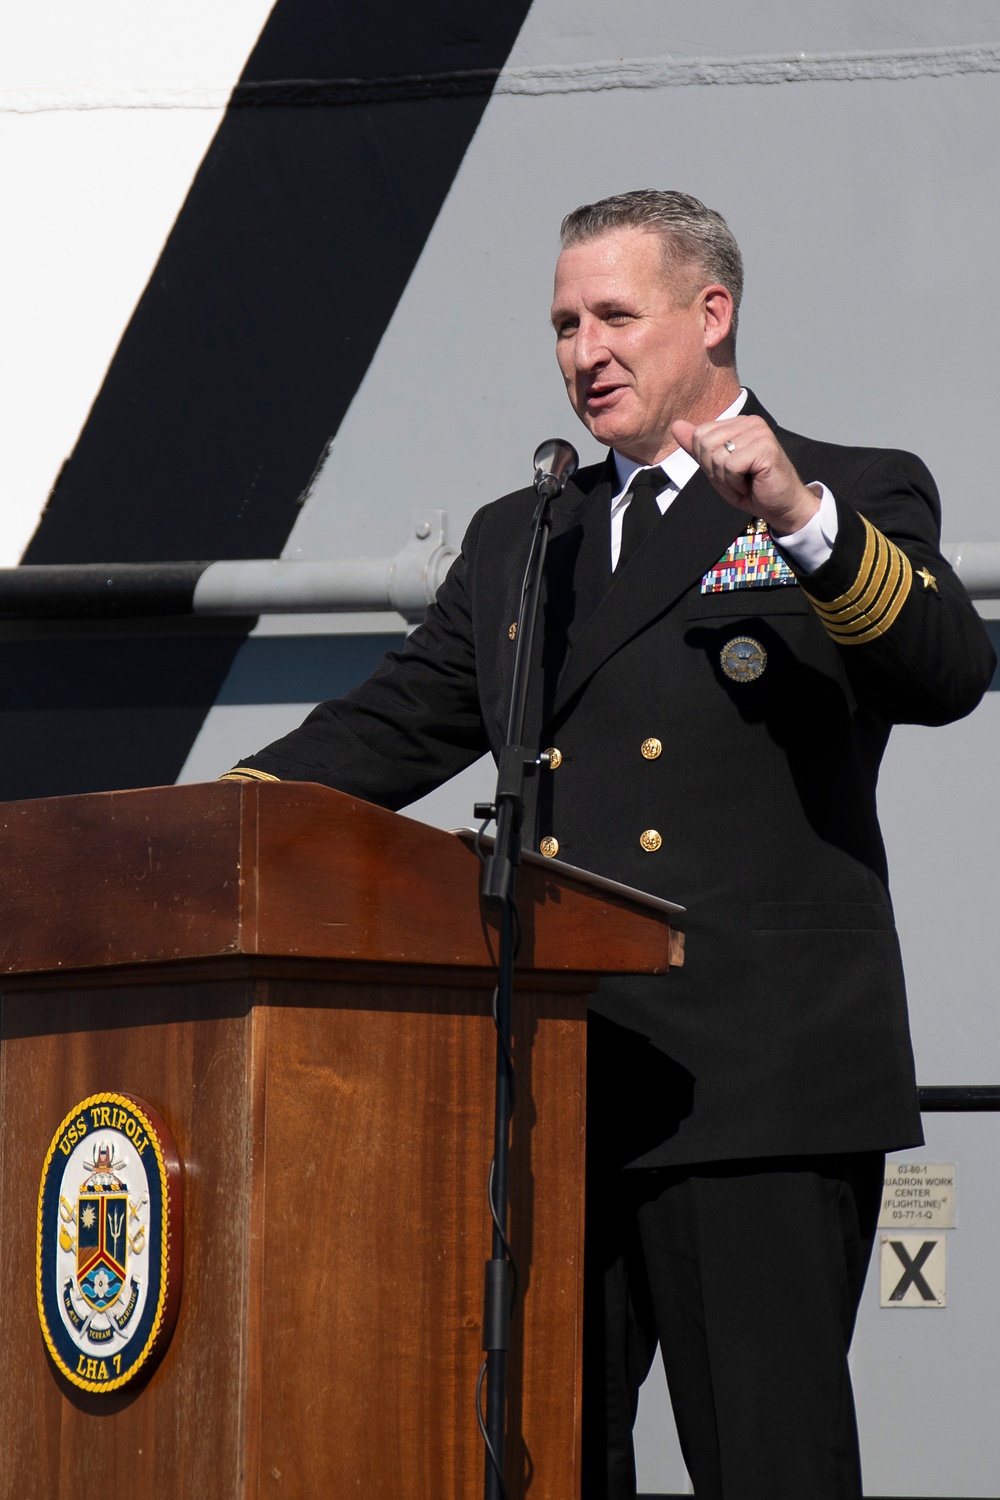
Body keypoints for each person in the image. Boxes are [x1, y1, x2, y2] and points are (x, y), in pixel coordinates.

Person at [222, 190, 995, 1499]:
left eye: (614, 316)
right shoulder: (530, 538)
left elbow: (943, 665)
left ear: (712, 313)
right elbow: (387, 732)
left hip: (755, 1087)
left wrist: (799, 518)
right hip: (566, 1084)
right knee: (541, 1461)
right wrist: (190, 821)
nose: (586, 351)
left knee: (770, 1462)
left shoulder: (846, 491)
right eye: (565, 323)